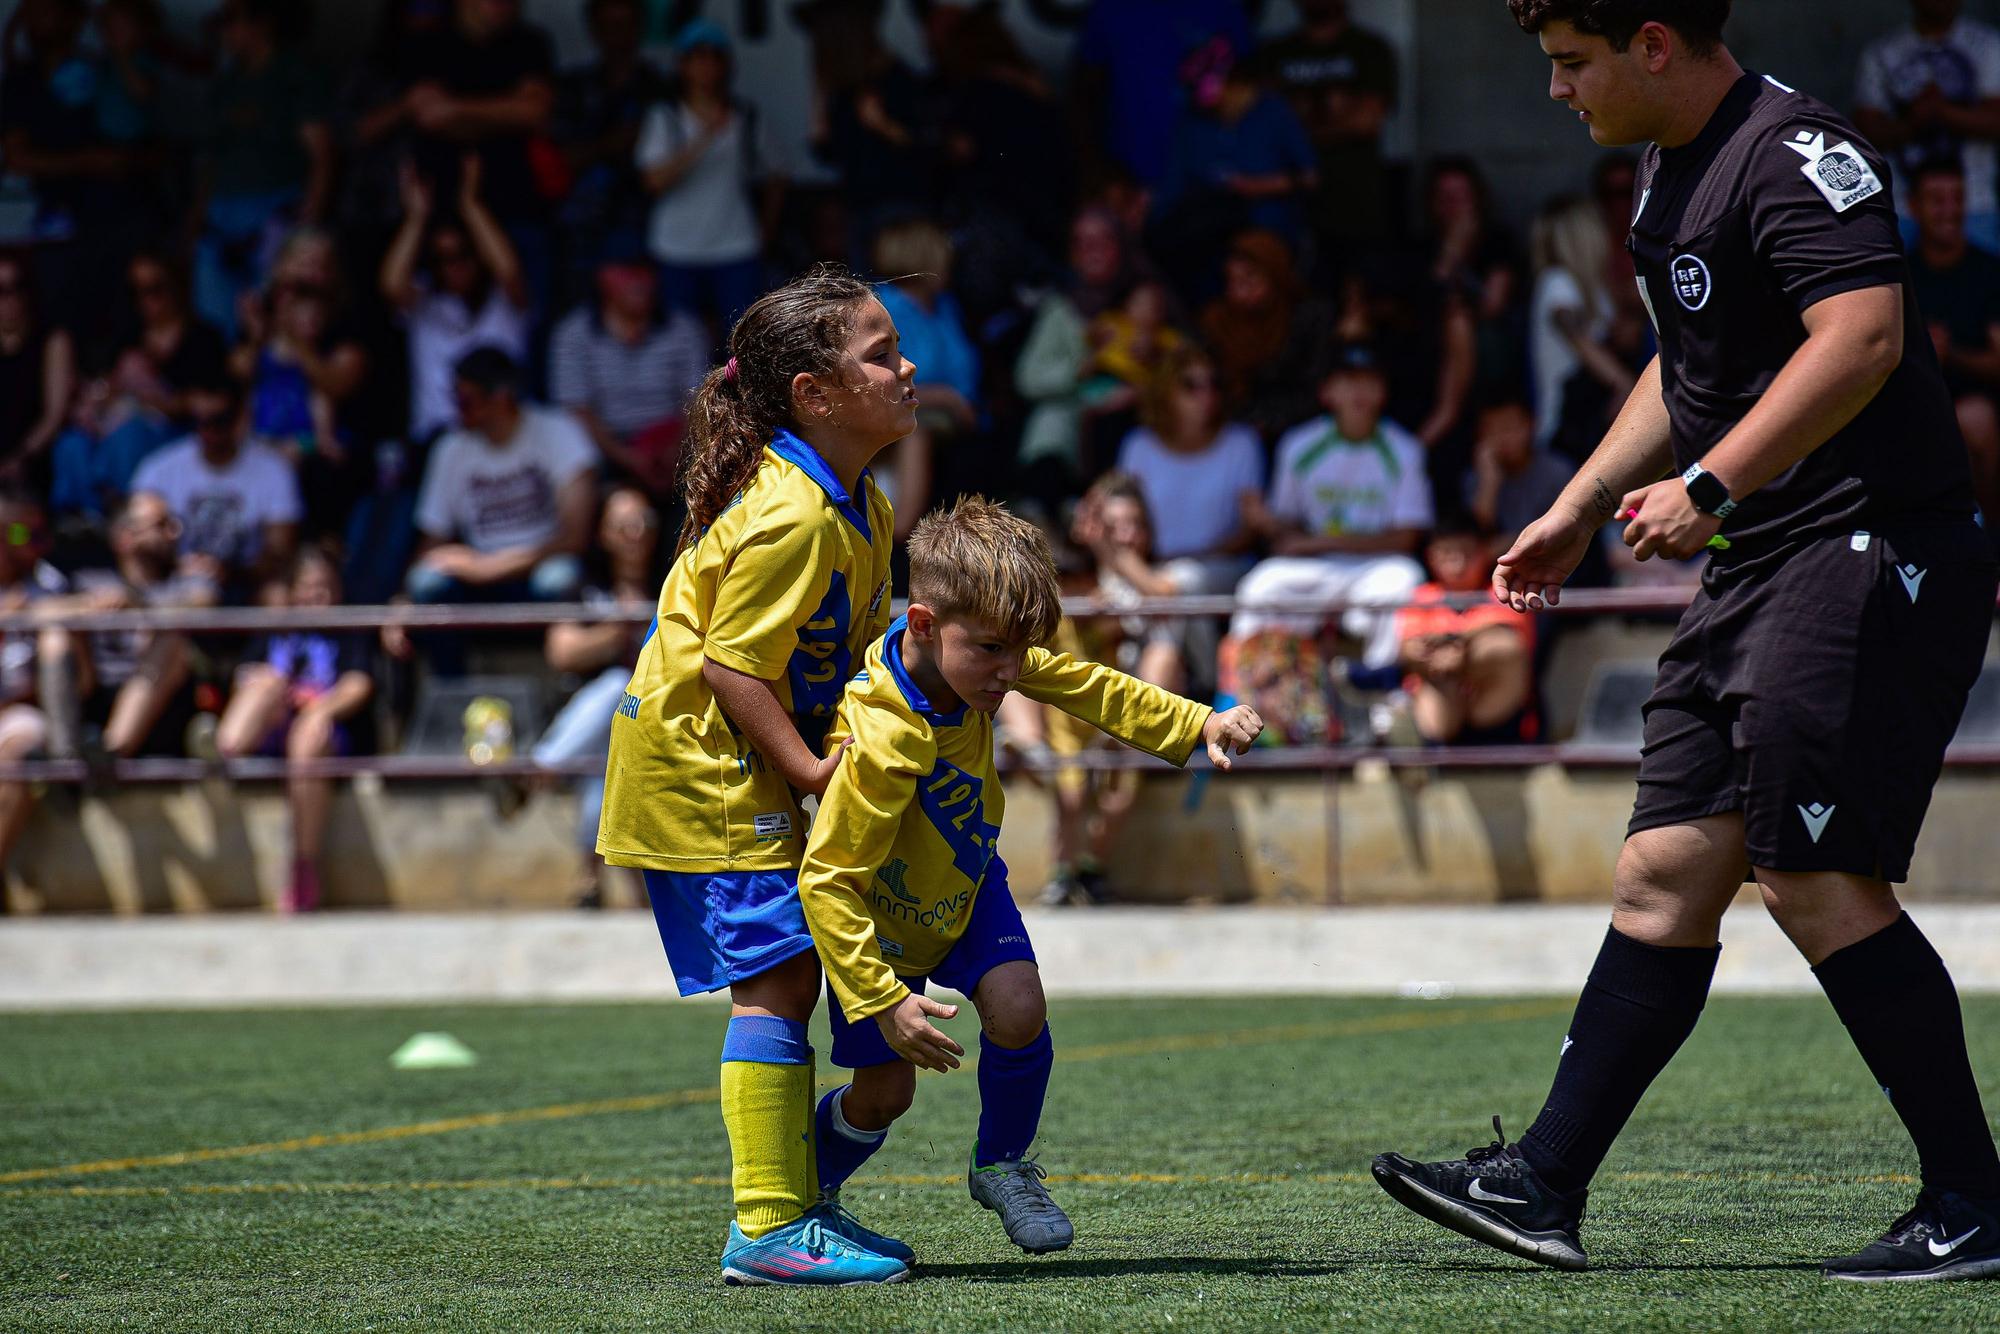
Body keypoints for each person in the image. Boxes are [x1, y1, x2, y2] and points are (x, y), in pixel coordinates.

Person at [1373, 0, 2000, 1283]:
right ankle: (1541, 1182)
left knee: (1813, 878)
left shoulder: (1796, 150)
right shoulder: (1668, 169)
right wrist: (1575, 502)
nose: (1555, 93)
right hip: (1764, 561)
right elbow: (1680, 361)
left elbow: (1862, 336)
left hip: (1868, 547)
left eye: (1569, 64)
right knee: (1660, 871)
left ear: (1652, 42)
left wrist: (1709, 485)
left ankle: (1972, 1202)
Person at [796, 496, 1261, 1262]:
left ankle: (1002, 1164)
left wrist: (1200, 723)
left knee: (1018, 1007)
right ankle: (801, 1194)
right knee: (885, 1096)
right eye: (991, 653)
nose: (1009, 675)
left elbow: (1089, 686)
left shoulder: (981, 647)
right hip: (879, 924)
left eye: (1019, 653)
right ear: (920, 624)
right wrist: (882, 997)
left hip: (969, 885)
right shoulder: (878, 738)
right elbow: (828, 879)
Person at [593, 267, 906, 1285]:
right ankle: (769, 1227)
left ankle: (786, 1193)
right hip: (701, 766)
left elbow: (850, 653)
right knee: (780, 975)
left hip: (737, 758)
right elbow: (730, 667)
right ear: (815, 394)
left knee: (794, 975)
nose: (908, 368)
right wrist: (815, 770)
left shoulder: (865, 504)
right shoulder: (795, 516)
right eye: (879, 352)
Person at [1230, 344, 1431, 674]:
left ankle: (1381, 689)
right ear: (1327, 392)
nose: (1359, 392)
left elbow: (1405, 539)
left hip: (1375, 567)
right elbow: (1288, 527)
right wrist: (1266, 523)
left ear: (1384, 392)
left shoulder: (1404, 450)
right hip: (1316, 567)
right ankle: (1248, 691)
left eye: (1369, 382)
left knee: (1406, 581)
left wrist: (1315, 542)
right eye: (1348, 381)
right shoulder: (1299, 445)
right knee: (1261, 586)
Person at [215, 547, 373, 914]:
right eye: (310, 587)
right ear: (292, 590)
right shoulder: (276, 628)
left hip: (321, 738)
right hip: (268, 725)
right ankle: (222, 750)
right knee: (266, 681)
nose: (319, 597)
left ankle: (303, 868)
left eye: (327, 587)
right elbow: (243, 675)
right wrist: (273, 686)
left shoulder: (348, 632)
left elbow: (358, 685)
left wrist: (320, 708)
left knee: (308, 732)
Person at [528, 486, 659, 909]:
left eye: (641, 523)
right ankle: (627, 887)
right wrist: (621, 629)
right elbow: (562, 652)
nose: (633, 533)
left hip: (659, 717)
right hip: (601, 722)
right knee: (607, 737)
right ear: (603, 532)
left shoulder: (674, 577)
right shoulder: (585, 585)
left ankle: (541, 766)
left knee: (623, 690)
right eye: (622, 525)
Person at [405, 346, 594, 615]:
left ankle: (560, 655)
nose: (457, 410)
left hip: (540, 567)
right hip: (474, 577)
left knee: (559, 578)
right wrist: (403, 599)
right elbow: (432, 540)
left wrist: (487, 567)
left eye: (466, 401)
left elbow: (575, 539)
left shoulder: (558, 432)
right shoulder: (450, 448)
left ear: (502, 398)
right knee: (426, 583)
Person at [191, 0, 333, 338]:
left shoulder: (294, 74)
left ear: (262, 23)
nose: (224, 30)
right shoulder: (226, 83)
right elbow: (210, 161)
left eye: (231, 20)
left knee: (276, 322)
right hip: (220, 220)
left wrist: (308, 228)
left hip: (275, 215)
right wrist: (195, 221)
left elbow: (322, 155)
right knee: (214, 328)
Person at [50, 250, 229, 517]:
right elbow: (106, 387)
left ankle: (132, 519)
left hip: (174, 434)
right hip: (117, 424)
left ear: (175, 286)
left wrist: (150, 397)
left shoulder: (203, 338)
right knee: (72, 443)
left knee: (129, 436)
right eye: (136, 291)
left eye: (155, 289)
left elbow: (214, 403)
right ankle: (80, 523)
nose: (146, 300)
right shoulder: (127, 337)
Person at [42, 491, 216, 762]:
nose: (173, 532)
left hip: (164, 705)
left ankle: (111, 754)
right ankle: (62, 759)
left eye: (173, 524)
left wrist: (137, 605)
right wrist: (89, 605)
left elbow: (203, 605)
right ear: (125, 538)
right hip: (96, 693)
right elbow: (34, 610)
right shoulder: (92, 581)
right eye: (161, 525)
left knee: (170, 640)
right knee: (55, 635)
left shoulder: (187, 581)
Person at [635, 19, 779, 340]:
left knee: (742, 336)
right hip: (675, 246)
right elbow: (653, 180)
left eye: (716, 56)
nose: (708, 65)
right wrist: (705, 137)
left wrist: (765, 229)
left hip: (736, 244)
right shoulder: (664, 118)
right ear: (682, 65)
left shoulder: (746, 116)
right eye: (698, 56)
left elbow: (777, 175)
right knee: (679, 339)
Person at [380, 155, 531, 445]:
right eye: (442, 259)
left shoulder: (505, 301)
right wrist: (416, 218)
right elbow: (391, 285)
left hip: (506, 435)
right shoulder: (423, 303)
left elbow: (509, 270)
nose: (454, 267)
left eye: (463, 254)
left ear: (479, 255)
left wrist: (470, 204)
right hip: (440, 438)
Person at [230, 228, 370, 541]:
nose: (310, 274)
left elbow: (333, 388)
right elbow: (239, 379)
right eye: (302, 262)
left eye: (320, 264)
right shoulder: (261, 322)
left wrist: (299, 339)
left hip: (310, 448)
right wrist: (259, 335)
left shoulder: (339, 326)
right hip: (263, 436)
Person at [548, 236, 708, 499]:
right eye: (627, 271)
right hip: (606, 453)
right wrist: (629, 458)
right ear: (602, 277)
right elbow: (575, 411)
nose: (639, 281)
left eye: (645, 271)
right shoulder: (573, 334)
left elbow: (698, 399)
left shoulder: (683, 329)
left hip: (677, 448)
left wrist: (673, 450)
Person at [128, 367, 300, 600]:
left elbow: (279, 553)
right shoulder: (159, 469)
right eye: (199, 421)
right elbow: (134, 535)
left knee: (277, 594)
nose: (208, 431)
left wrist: (229, 572)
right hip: (174, 583)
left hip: (247, 589)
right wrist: (176, 563)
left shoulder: (272, 470)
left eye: (219, 421)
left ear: (242, 417)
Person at [1247, 0, 1398, 254]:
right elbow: (1264, 124)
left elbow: (1366, 122)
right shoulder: (1273, 53)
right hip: (1285, 201)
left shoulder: (1369, 49)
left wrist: (1296, 124)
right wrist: (1338, 114)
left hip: (1354, 199)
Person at [1856, 0, 2000, 255]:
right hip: (1901, 206)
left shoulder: (1988, 45)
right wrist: (1916, 120)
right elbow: (1864, 132)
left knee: (1983, 289)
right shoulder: (1883, 52)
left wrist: (1941, 110)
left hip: (1974, 204)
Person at [549, 0, 667, 308]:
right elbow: (560, 158)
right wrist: (612, 143)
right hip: (581, 227)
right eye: (609, 25)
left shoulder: (659, 87)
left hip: (648, 226)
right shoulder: (574, 87)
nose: (618, 34)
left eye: (625, 24)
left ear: (639, 28)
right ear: (594, 29)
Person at [1906, 156, 2000, 536]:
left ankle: (1991, 538)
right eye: (1937, 200)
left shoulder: (1989, 271)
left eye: (1957, 199)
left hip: (1975, 402)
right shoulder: (1899, 273)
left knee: (1973, 418)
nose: (1949, 211)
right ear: (1914, 207)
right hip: (1913, 399)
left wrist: (1950, 352)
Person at [870, 220, 980, 535]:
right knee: (916, 433)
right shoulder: (883, 306)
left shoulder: (944, 305)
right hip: (904, 407)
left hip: (958, 416)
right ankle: (898, 543)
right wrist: (950, 398)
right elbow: (883, 374)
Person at [1392, 519, 1537, 746]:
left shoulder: (1504, 592)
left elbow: (1506, 640)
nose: (1457, 563)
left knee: (1502, 646)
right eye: (1447, 554)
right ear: (1431, 556)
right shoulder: (1421, 596)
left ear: (1484, 552)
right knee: (1435, 676)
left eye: (1467, 553)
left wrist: (1458, 651)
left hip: (1493, 708)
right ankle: (1421, 745)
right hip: (1439, 703)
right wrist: (1434, 659)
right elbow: (1408, 647)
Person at [1199, 229, 1335, 444]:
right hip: (1231, 435)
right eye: (1233, 281)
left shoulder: (1308, 318)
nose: (1240, 291)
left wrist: (1269, 421)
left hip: (1299, 434)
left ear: (1275, 275)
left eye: (1250, 279)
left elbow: (1317, 387)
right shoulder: (1216, 321)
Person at [1529, 194, 1636, 455]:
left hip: (1591, 421)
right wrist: (1623, 384)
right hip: (1566, 429)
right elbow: (1575, 334)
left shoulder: (1593, 288)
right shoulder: (1557, 281)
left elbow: (1626, 335)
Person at [0, 490, 66, 900]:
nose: (38, 542)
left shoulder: (47, 582)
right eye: (26, 532)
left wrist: (23, 612)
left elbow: (79, 608)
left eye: (42, 531)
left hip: (17, 712)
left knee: (18, 756)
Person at [0, 248, 76, 492]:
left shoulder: (51, 341)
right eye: (0, 290)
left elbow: (53, 416)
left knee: (18, 525)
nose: (9, 299)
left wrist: (20, 457)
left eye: (16, 287)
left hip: (33, 457)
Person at [1465, 392, 1573, 548]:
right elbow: (1474, 536)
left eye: (1509, 428)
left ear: (1531, 425)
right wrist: (1489, 483)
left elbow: (1564, 530)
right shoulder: (1477, 476)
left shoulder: (1557, 471)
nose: (1502, 438)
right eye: (1492, 430)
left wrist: (1511, 544)